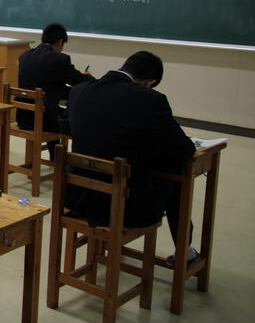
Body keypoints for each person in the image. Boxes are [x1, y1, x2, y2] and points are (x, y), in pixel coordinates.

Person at [66, 51, 198, 264]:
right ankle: (184, 249)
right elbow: (184, 149)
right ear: (150, 83)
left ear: (122, 67)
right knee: (177, 172)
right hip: (125, 207)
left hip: (78, 198)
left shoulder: (79, 91)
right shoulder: (149, 99)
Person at [16, 23, 92, 159]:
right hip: (45, 121)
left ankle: (55, 158)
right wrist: (89, 78)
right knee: (72, 118)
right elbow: (76, 80)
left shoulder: (24, 55)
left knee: (52, 107)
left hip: (23, 118)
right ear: (61, 42)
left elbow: (49, 83)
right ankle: (65, 161)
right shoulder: (60, 59)